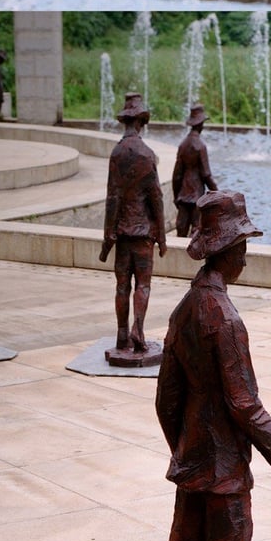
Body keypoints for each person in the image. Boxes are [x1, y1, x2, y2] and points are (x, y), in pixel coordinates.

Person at [156, 190, 271, 541]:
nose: (244, 259)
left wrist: (186, 449)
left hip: (192, 470)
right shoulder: (226, 320)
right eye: (242, 248)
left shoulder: (184, 310)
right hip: (225, 476)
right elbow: (245, 405)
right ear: (229, 252)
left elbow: (166, 401)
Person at [100, 93, 167, 358]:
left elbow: (112, 198)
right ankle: (138, 330)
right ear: (141, 121)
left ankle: (122, 334)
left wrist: (108, 234)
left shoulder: (116, 154)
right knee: (143, 284)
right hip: (143, 235)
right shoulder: (147, 154)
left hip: (123, 235)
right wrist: (162, 236)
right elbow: (156, 198)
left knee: (121, 286)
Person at [172, 104, 218, 237]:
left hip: (183, 195)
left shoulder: (183, 145)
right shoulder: (200, 146)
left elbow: (177, 175)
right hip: (197, 195)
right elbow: (206, 174)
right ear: (201, 124)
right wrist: (217, 193)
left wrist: (176, 196)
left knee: (181, 228)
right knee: (197, 229)